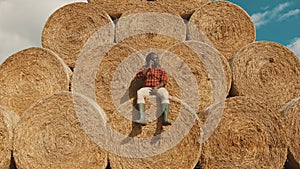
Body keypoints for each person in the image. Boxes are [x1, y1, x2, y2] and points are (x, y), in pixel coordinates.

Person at [135, 52, 171, 126]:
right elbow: (139, 76)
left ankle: (165, 118)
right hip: (147, 87)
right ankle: (142, 118)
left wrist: (156, 87)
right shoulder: (144, 68)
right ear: (150, 60)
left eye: (157, 58)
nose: (157, 60)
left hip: (158, 87)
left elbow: (164, 81)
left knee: (165, 94)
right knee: (139, 93)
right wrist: (148, 67)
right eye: (155, 58)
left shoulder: (161, 69)